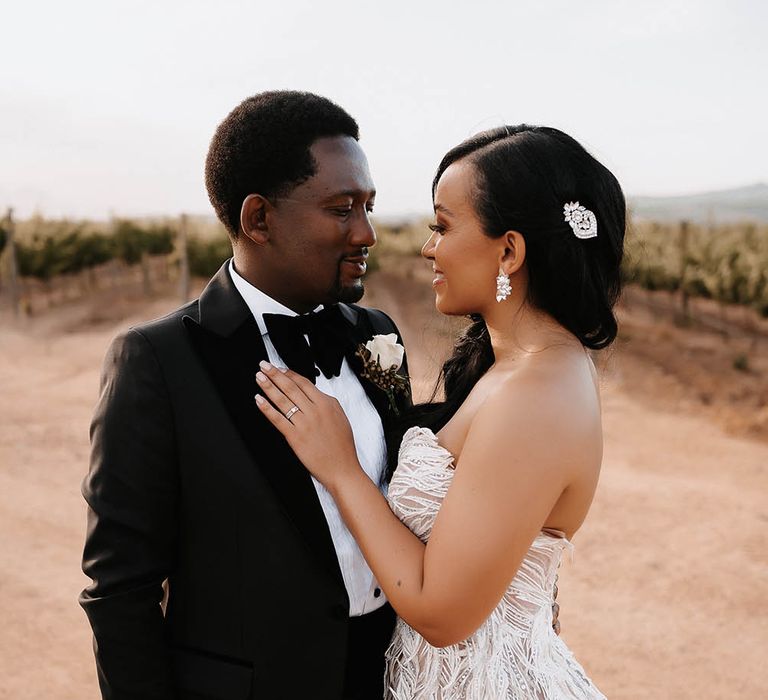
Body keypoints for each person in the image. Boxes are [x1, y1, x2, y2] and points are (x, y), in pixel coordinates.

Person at [254, 125, 625, 698]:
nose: (429, 248)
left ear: (509, 251)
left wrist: (341, 468)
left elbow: (442, 614)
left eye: (443, 226)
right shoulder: (530, 368)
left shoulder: (535, 393)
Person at [79, 91, 413, 699]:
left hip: (388, 680)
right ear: (258, 219)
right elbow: (120, 588)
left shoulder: (378, 336)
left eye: (369, 205)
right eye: (342, 209)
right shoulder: (157, 361)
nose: (366, 232)